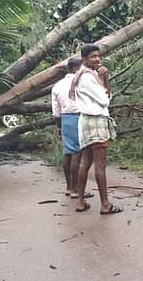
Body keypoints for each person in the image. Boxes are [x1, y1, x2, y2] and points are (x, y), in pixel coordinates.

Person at [70, 43, 122, 215]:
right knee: (100, 164)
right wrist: (106, 79)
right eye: (93, 56)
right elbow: (105, 100)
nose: (97, 59)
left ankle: (80, 201)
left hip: (85, 121)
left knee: (86, 161)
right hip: (95, 120)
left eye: (98, 56)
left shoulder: (83, 74)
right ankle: (105, 204)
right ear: (84, 59)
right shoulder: (88, 77)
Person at [51, 58, 92, 199]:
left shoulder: (57, 86)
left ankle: (69, 187)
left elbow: (55, 112)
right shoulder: (80, 83)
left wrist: (59, 126)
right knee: (77, 153)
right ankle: (76, 189)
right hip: (78, 117)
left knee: (68, 152)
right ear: (76, 69)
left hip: (65, 118)